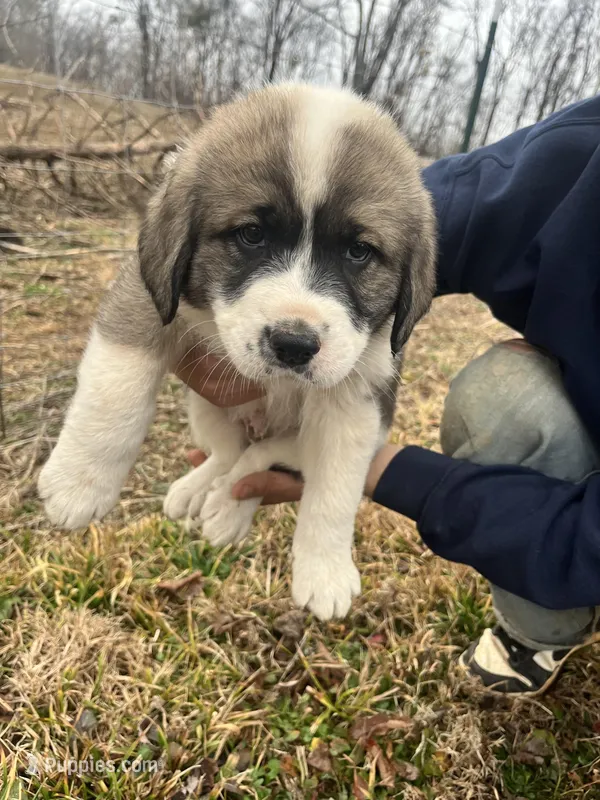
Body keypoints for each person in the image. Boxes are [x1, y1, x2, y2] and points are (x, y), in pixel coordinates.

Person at [175, 94, 600, 696]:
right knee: (512, 397)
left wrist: (370, 470)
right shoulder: (583, 155)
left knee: (500, 405)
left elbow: (585, 545)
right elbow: (400, 208)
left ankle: (545, 626)